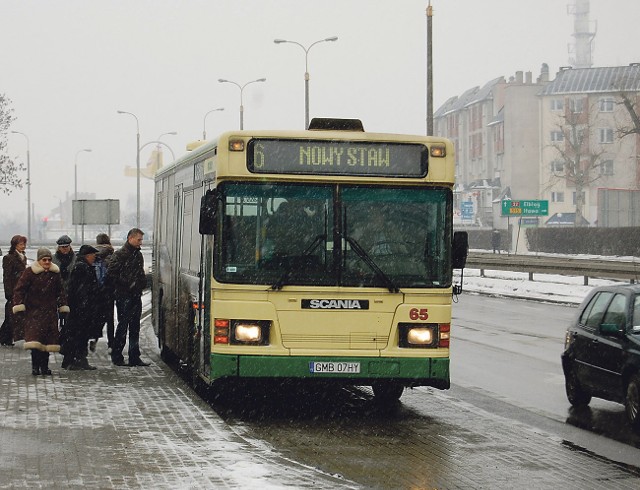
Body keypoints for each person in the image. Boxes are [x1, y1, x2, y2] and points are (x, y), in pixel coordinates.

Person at [12, 247, 69, 376]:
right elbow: (19, 289)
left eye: (49, 259)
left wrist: (63, 305)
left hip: (49, 313)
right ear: (39, 260)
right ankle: (35, 367)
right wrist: (19, 304)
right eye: (44, 260)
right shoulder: (30, 273)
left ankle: (44, 367)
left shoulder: (55, 274)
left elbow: (60, 291)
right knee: (35, 341)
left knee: (47, 342)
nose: (47, 262)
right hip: (34, 312)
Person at [107, 228, 150, 367]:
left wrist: (141, 284)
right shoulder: (120, 255)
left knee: (135, 327)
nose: (141, 243)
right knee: (123, 325)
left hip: (135, 295)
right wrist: (128, 285)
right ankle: (118, 355)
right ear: (130, 238)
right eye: (139, 240)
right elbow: (112, 275)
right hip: (124, 295)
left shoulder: (137, 255)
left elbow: (140, 274)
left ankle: (134, 356)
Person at [60, 245, 100, 370]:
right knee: (80, 335)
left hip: (79, 308)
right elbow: (80, 290)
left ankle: (71, 360)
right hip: (81, 309)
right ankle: (77, 360)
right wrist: (85, 304)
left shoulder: (81, 266)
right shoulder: (82, 267)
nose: (94, 258)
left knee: (75, 334)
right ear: (88, 256)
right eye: (93, 255)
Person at [0, 235, 27, 346]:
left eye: (24, 244)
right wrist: (9, 293)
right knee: (11, 315)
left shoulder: (22, 257)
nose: (23, 246)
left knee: (13, 315)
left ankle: (5, 337)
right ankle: (5, 337)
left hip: (21, 290)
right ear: (15, 245)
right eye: (21, 244)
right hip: (13, 290)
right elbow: (7, 277)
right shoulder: (9, 258)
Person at [91, 233, 115, 353]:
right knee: (109, 319)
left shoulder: (93, 255)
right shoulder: (111, 254)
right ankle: (111, 344)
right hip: (108, 291)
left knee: (97, 317)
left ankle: (94, 338)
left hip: (95, 292)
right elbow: (114, 272)